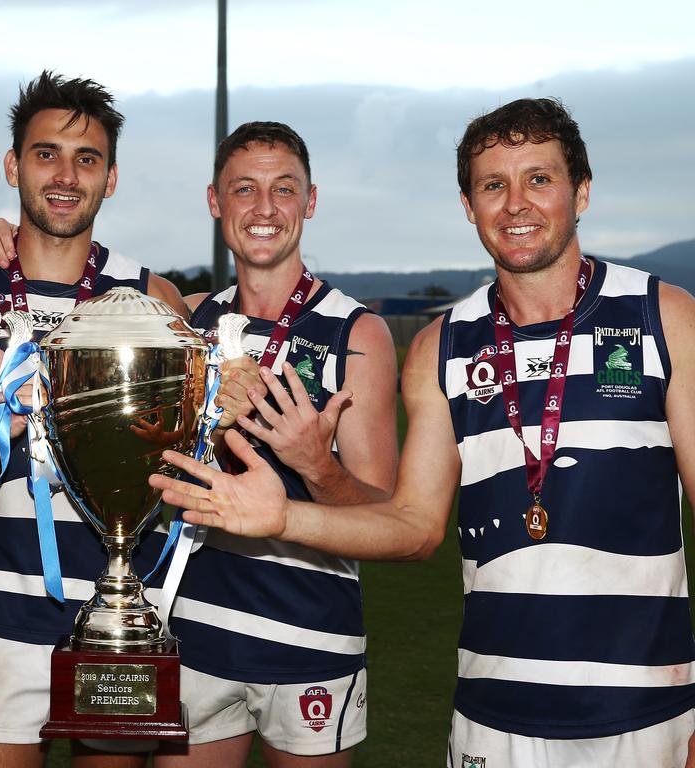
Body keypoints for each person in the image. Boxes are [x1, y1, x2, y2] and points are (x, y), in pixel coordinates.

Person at [150, 98, 695, 767]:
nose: (516, 204)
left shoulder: (663, 317)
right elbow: (413, 528)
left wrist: (311, 475)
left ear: (581, 190)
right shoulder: (443, 347)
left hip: (654, 713)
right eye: (494, 185)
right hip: (495, 718)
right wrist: (282, 512)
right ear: (469, 205)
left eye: (540, 179)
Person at [0, 71, 189, 768]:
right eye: (46, 154)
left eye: (87, 159)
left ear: (111, 177)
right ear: (13, 166)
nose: (66, 176)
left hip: (120, 622)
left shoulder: (156, 305)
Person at [151, 122, 397, 768]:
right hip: (193, 633)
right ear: (215, 202)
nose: (264, 209)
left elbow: (386, 515)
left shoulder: (357, 334)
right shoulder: (189, 323)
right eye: (245, 189)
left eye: (284, 190)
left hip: (311, 636)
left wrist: (317, 464)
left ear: (310, 202)